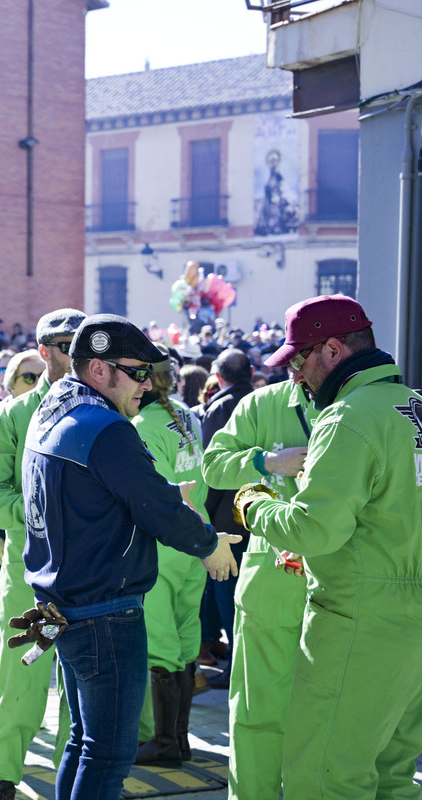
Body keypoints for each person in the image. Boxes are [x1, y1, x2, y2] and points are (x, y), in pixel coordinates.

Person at [21, 314, 239, 800]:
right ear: (99, 369)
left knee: (84, 743)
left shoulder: (53, 408)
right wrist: (209, 544)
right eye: (138, 371)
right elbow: (157, 506)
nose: (148, 383)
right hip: (102, 611)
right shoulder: (105, 426)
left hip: (67, 603)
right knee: (108, 754)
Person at [232, 295, 422, 800]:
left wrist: (252, 503)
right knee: (393, 776)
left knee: (323, 778)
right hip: (412, 629)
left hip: (361, 620)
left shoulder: (346, 417)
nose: (295, 375)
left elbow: (313, 532)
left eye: (298, 359)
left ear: (333, 350)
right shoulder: (415, 410)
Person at [0, 308, 83, 800]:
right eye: (67, 346)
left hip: (90, 574)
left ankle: (74, 782)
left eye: (86, 344)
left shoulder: (105, 412)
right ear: (44, 350)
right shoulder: (11, 417)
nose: (79, 355)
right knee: (21, 679)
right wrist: (47, 510)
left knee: (82, 691)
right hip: (29, 572)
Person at [201, 371, 315, 799]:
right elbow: (213, 465)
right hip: (274, 578)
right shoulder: (262, 403)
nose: (295, 369)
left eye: (301, 356)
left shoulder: (363, 404)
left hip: (343, 581)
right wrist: (267, 461)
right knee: (257, 710)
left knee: (327, 714)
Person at [131, 350, 209, 768]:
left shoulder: (141, 424)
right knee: (185, 635)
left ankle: (164, 742)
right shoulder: (187, 415)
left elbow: (152, 493)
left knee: (161, 642)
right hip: (196, 539)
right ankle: (179, 739)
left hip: (163, 544)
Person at [197, 348, 254, 684]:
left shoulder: (221, 406)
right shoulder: (259, 400)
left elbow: (211, 471)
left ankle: (236, 667)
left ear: (218, 377)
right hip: (255, 513)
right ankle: (239, 664)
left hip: (225, 522)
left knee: (229, 597)